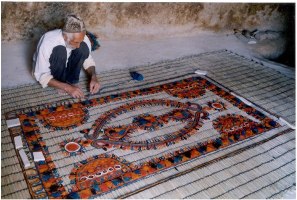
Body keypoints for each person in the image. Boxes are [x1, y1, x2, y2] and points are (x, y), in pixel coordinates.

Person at [33, 14, 100, 98]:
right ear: (65, 37)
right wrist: (67, 88)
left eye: (81, 40)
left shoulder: (83, 38)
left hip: (69, 63)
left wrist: (93, 76)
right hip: (52, 68)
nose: (78, 45)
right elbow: (41, 75)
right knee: (60, 51)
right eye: (76, 42)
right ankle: (61, 83)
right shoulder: (48, 42)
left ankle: (71, 80)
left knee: (83, 47)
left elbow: (88, 60)